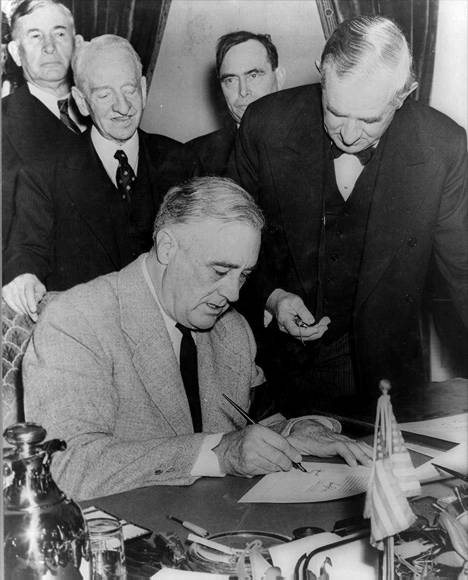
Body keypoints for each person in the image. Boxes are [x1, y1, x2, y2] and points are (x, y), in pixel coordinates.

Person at [23, 176, 371, 500]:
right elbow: (65, 467)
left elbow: (260, 425)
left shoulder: (231, 330)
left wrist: (298, 431)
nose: (233, 293)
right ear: (167, 247)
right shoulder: (76, 319)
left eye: (244, 275)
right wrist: (218, 453)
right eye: (220, 270)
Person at [231, 16, 468, 416]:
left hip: (386, 374)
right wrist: (272, 297)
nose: (350, 134)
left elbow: (464, 270)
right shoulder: (265, 125)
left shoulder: (442, 147)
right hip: (277, 367)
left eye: (370, 119)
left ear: (403, 94)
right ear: (321, 76)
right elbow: (227, 239)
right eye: (336, 112)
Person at [3, 34, 198, 320]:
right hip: (87, 327)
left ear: (144, 89)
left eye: (130, 90)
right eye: (105, 95)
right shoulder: (43, 171)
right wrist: (24, 276)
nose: (123, 107)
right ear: (82, 102)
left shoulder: (183, 162)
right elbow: (26, 249)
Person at [2, 0, 86, 249]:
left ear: (76, 43)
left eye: (59, 34)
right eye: (35, 36)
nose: (49, 47)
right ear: (16, 53)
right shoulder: (3, 122)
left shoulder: (106, 109)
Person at [186, 31, 285, 175]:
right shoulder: (194, 156)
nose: (243, 91)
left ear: (279, 78)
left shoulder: (313, 142)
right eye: (230, 80)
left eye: (253, 75)